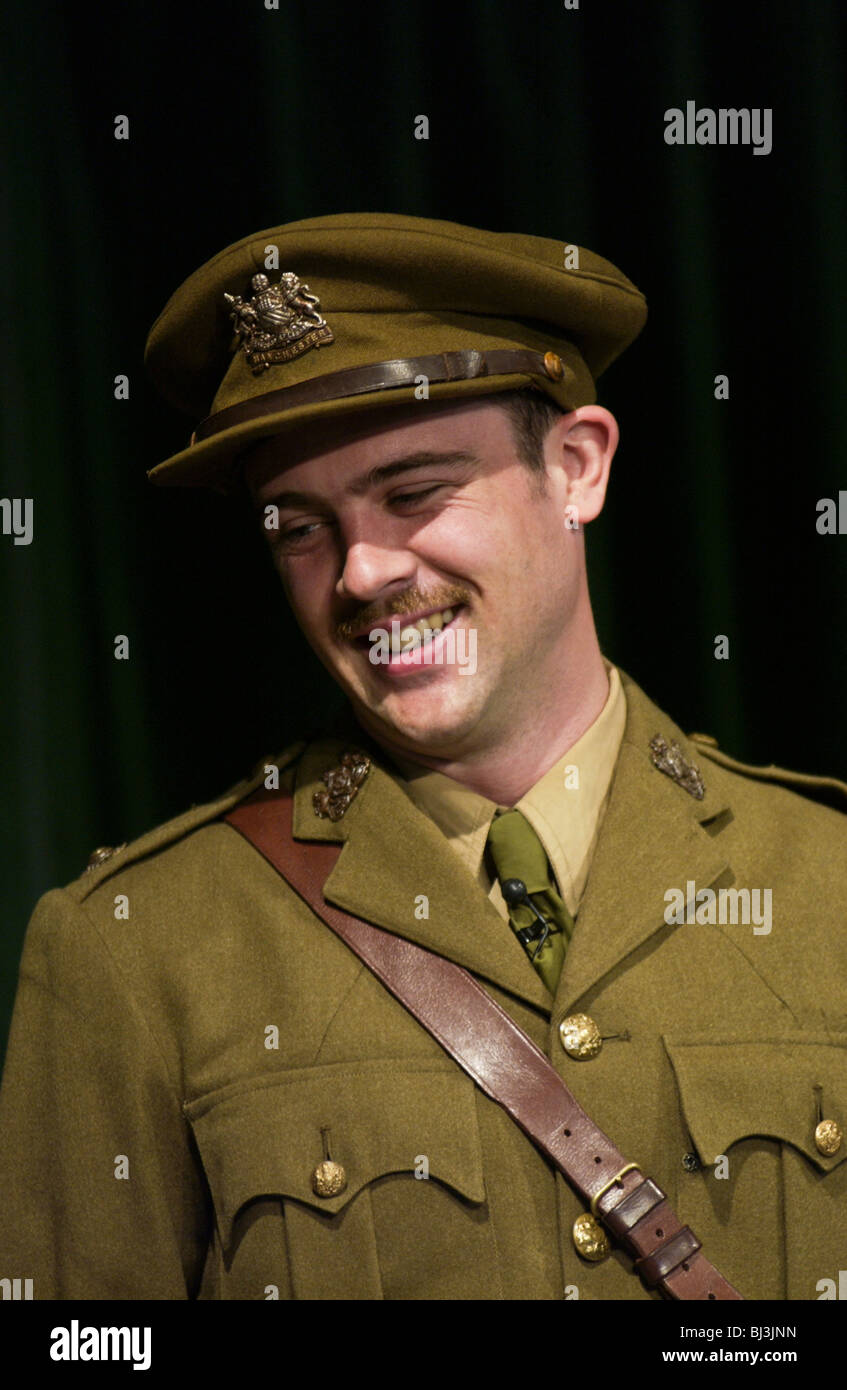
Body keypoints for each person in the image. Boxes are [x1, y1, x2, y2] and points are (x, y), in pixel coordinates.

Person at [1, 212, 845, 1302]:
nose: (358, 573)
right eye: (299, 526)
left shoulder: (825, 883)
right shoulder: (135, 950)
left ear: (578, 466)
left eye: (413, 492)